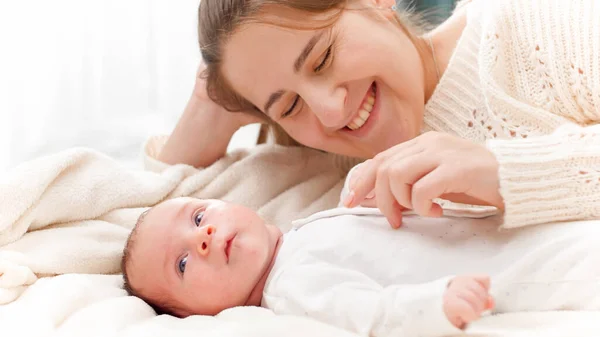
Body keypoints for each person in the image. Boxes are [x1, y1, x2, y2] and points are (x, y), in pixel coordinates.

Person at [159, 0, 600, 230]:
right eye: (290, 106)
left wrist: (504, 175)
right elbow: (150, 231)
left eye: (323, 58)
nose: (330, 113)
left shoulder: (532, 24)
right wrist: (210, 104)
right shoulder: (330, 177)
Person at [121, 193, 600, 337]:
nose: (202, 238)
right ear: (191, 316)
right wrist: (435, 305)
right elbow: (371, 313)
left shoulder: (298, 232)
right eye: (182, 263)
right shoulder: (291, 289)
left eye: (199, 215)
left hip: (500, 229)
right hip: (513, 270)